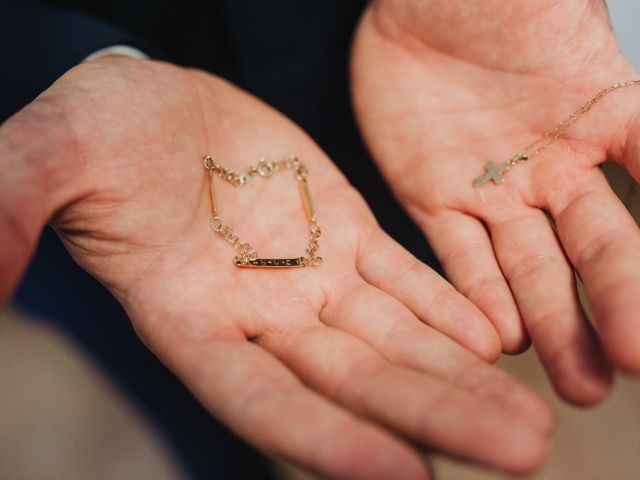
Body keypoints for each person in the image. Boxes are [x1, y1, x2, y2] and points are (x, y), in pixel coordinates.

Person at [0, 1, 636, 479]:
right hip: (124, 214)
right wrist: (59, 56)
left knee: (400, 333)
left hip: (406, 109)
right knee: (196, 388)